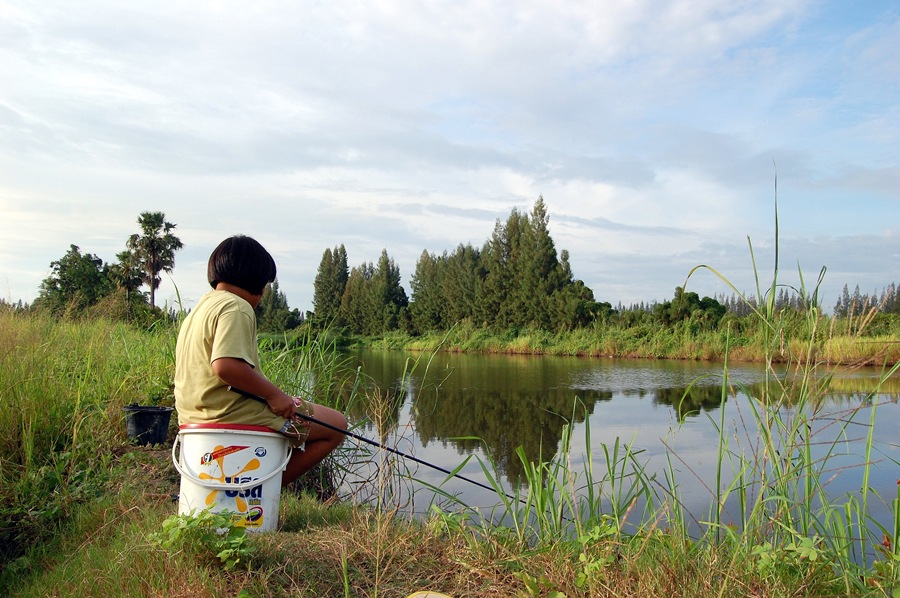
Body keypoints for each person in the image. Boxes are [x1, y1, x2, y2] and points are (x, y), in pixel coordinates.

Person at [174, 234, 347, 486]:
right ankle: (266, 487)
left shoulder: (201, 308)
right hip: (231, 413)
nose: (264, 293)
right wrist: (275, 395)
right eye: (266, 284)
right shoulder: (237, 306)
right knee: (337, 425)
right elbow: (225, 365)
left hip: (193, 414)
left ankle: (255, 483)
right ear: (254, 278)